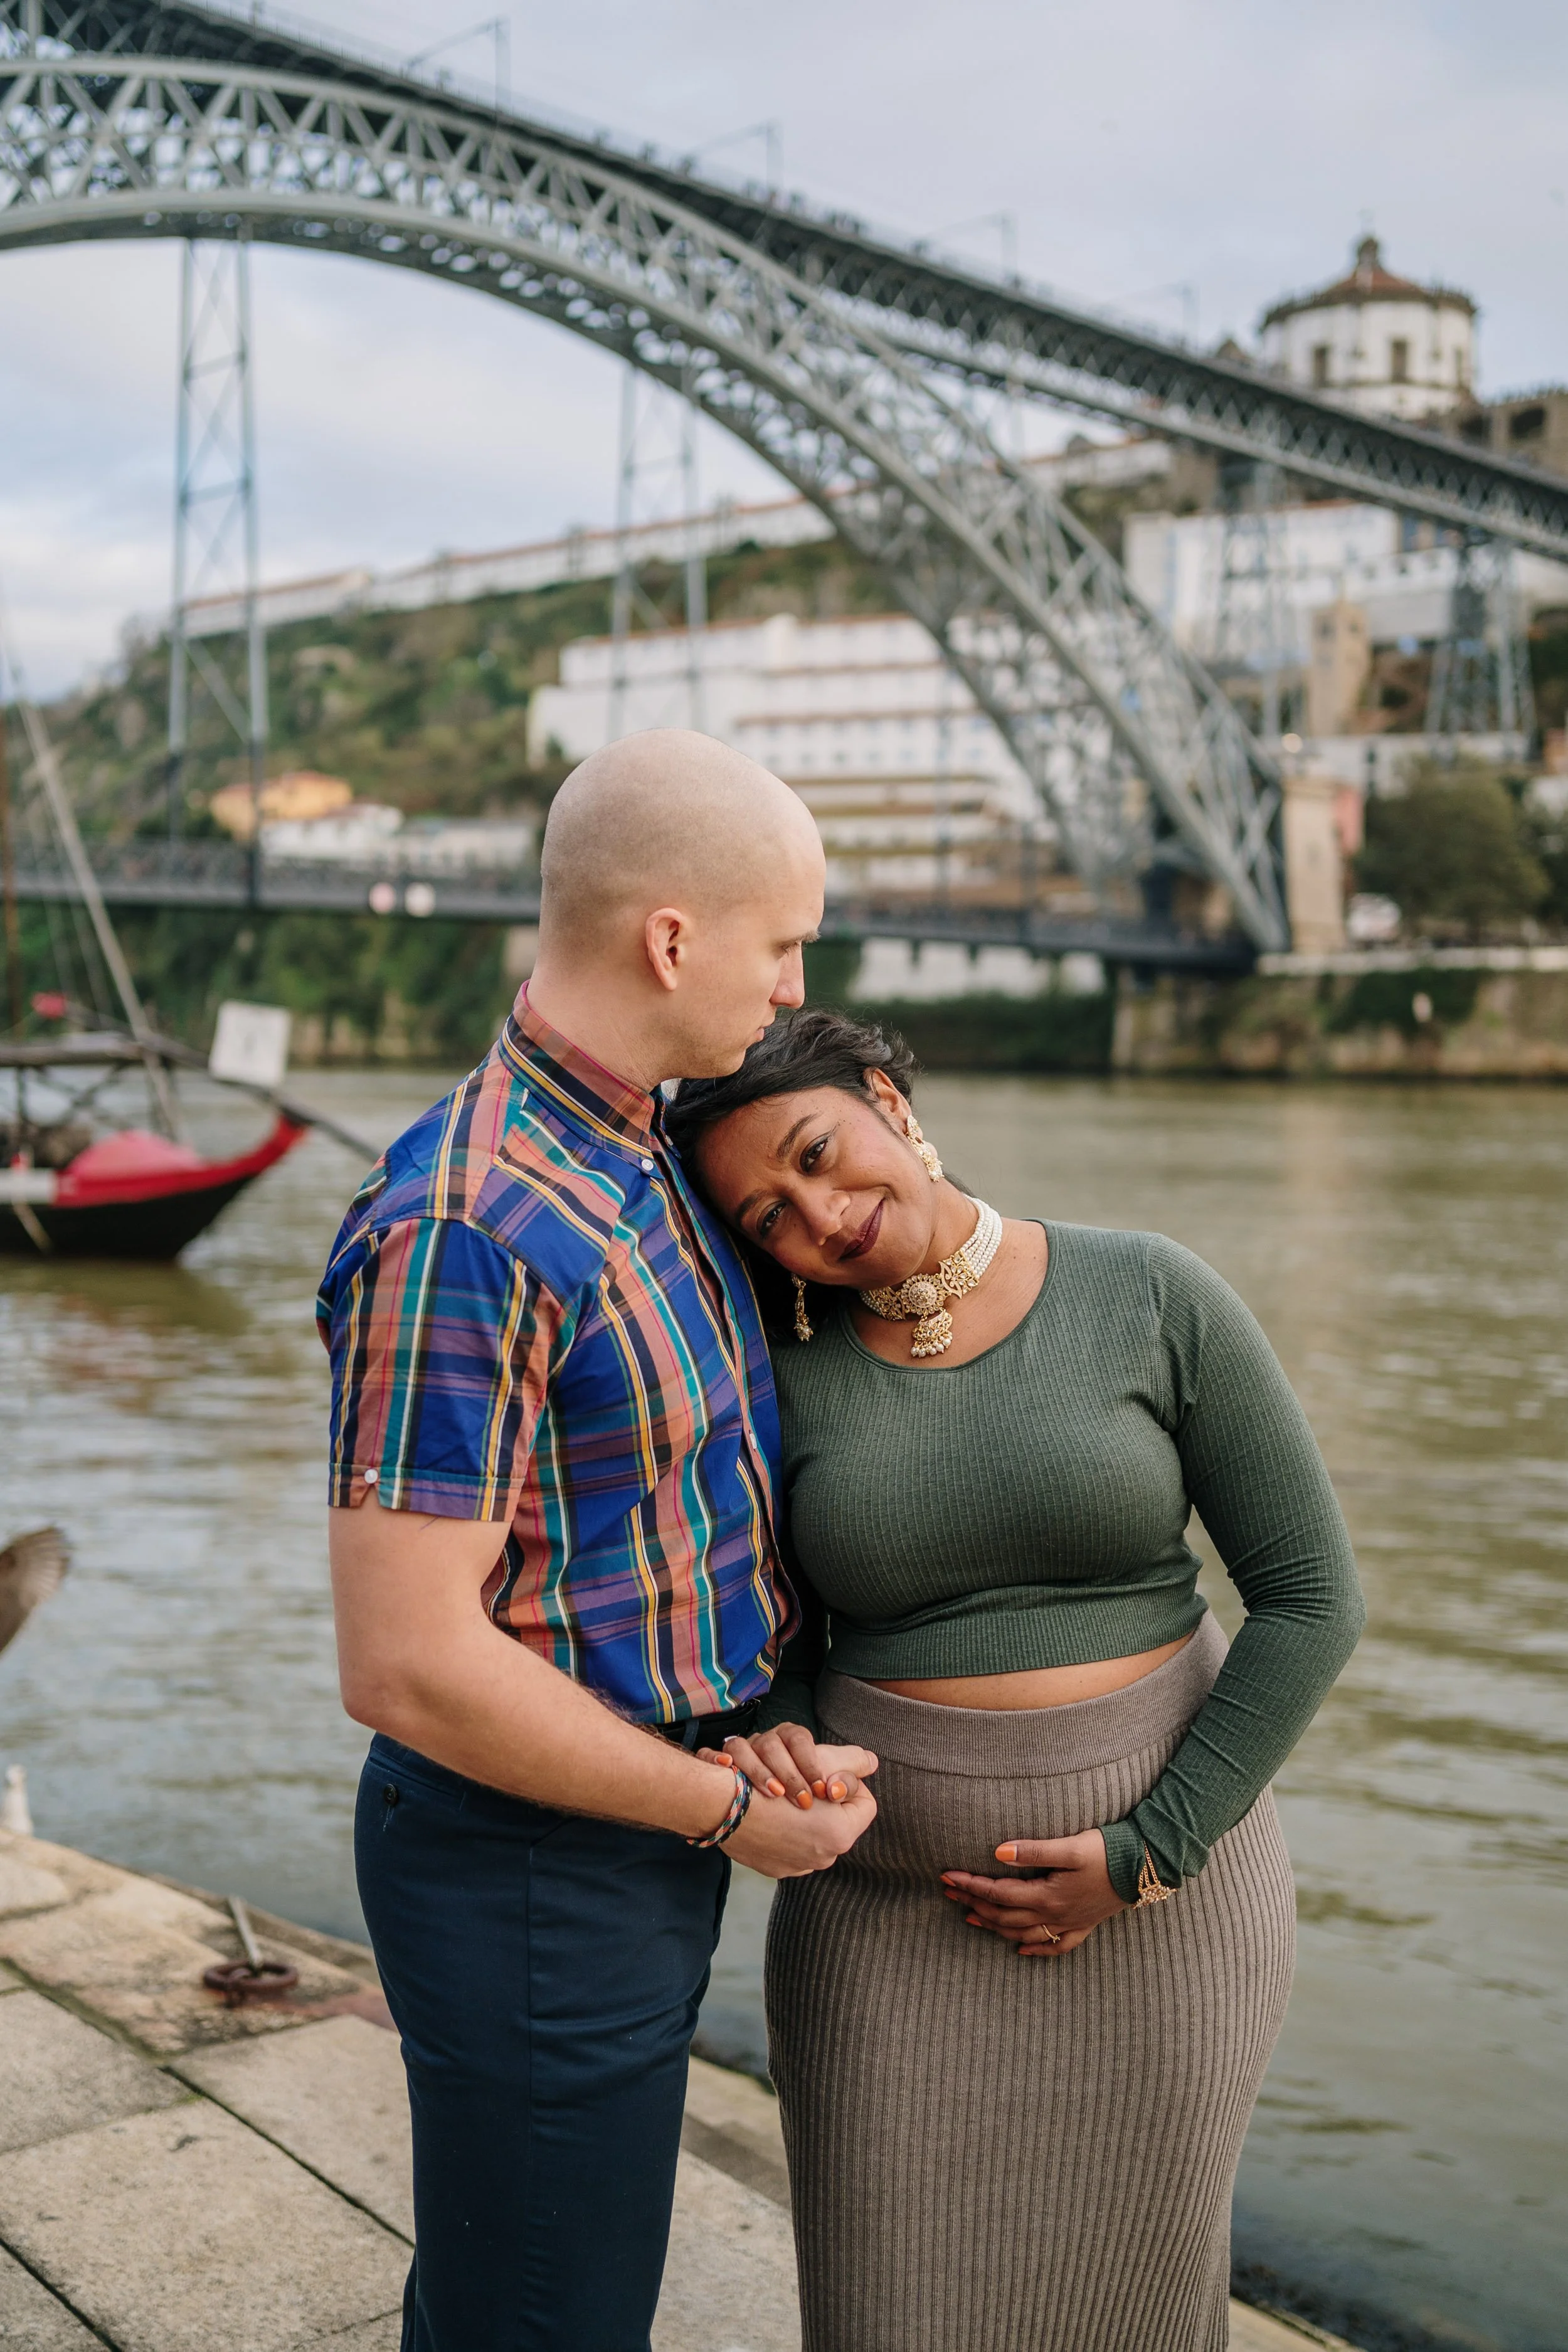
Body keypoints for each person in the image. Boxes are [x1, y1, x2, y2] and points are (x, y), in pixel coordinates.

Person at [665, 1006, 1367, 2352]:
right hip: (883, 1929)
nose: (819, 1212)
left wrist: (1145, 1854)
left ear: (885, 1098)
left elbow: (1311, 1598)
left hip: (1167, 1916)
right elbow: (780, 1653)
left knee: (1140, 2311)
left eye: (819, 1151)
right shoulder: (776, 1376)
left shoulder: (1147, 1291)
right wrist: (781, 1742)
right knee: (891, 2314)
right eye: (768, 1216)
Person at [319, 734, 879, 2352]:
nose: (792, 991)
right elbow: (407, 1662)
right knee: (544, 2320)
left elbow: (641, 1520)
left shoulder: (643, 1142)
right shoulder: (464, 1225)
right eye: (782, 946)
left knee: (539, 2288)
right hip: (534, 1872)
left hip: (631, 1825)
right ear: (672, 940)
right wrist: (723, 1812)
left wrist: (748, 1722)